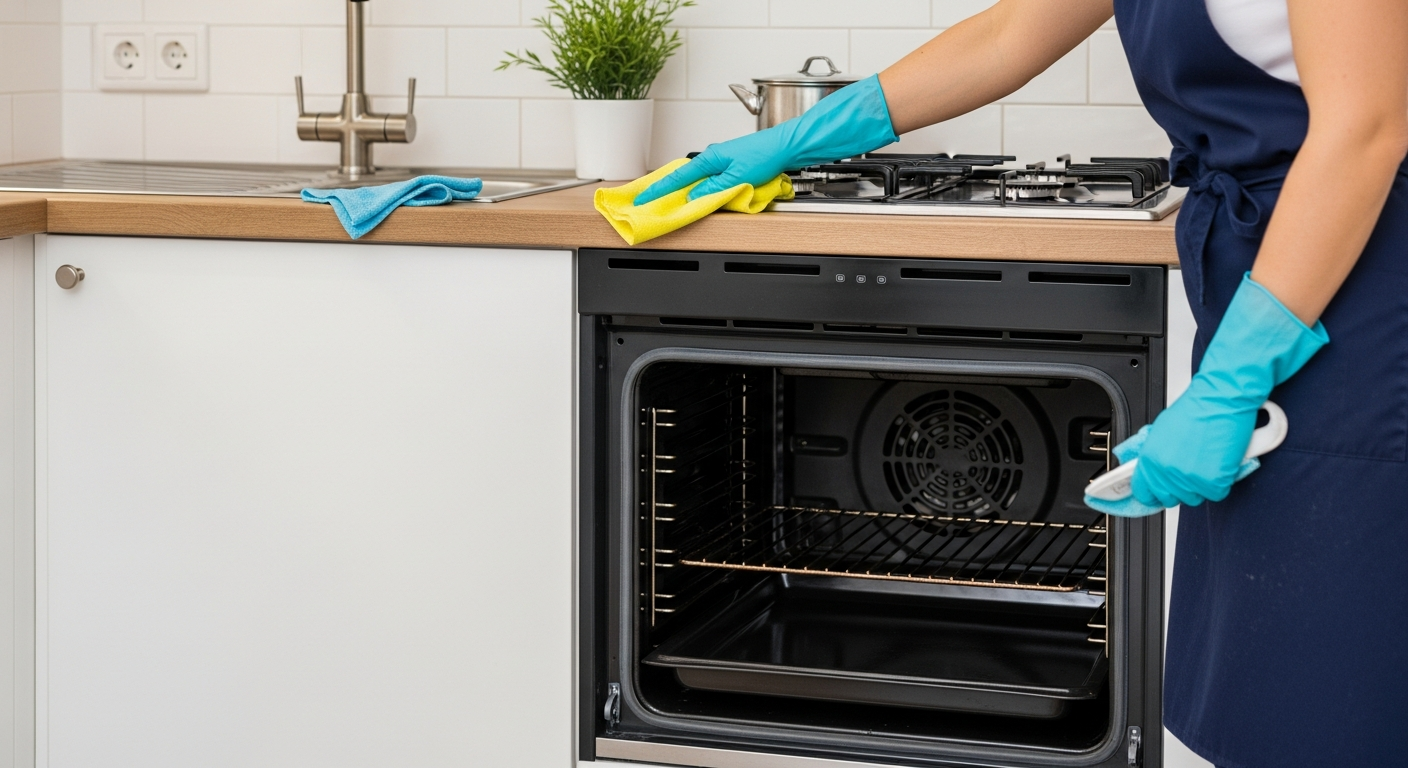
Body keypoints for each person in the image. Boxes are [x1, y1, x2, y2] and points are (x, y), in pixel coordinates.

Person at [635, 2, 1408, 767]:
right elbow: (1008, 36)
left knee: (1341, 672)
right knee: (1268, 668)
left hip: (1361, 284)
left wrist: (1231, 383)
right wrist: (798, 138)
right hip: (1267, 275)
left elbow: (1366, 126)